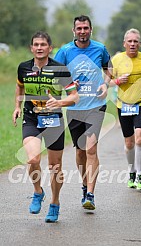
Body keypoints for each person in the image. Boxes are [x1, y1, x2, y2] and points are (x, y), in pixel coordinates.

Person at [12, 31, 79, 222]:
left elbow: (74, 97)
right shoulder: (23, 68)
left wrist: (60, 103)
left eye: (43, 45)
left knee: (55, 167)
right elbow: (20, 85)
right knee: (32, 159)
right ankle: (38, 191)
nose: (39, 48)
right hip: (32, 118)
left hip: (54, 120)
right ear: (31, 48)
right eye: (36, 45)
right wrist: (17, 106)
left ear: (50, 48)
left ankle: (55, 203)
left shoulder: (60, 69)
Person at [54, 15, 111, 210]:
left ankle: (91, 195)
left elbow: (109, 69)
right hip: (75, 107)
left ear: (91, 30)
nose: (82, 32)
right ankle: (84, 186)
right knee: (80, 152)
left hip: (96, 105)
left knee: (91, 148)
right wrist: (68, 86)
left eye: (86, 28)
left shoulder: (100, 48)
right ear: (74, 31)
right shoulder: (65, 51)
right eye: (79, 28)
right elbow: (55, 76)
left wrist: (106, 84)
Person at [110, 28, 141, 190]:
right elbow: (106, 80)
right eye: (129, 41)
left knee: (140, 138)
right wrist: (117, 81)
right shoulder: (116, 60)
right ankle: (131, 171)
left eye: (135, 41)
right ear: (124, 43)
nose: (132, 44)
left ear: (140, 44)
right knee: (129, 143)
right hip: (123, 105)